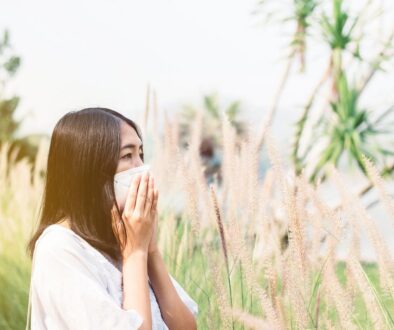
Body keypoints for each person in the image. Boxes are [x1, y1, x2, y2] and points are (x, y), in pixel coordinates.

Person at [25, 108, 198, 330]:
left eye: (141, 155)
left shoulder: (120, 237)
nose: (141, 168)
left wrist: (150, 250)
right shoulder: (59, 248)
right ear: (90, 168)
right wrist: (135, 254)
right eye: (128, 155)